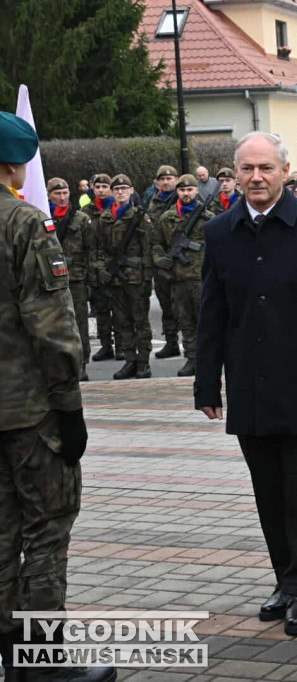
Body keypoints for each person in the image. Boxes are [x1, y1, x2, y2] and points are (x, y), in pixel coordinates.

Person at [195, 132, 297, 637]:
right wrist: (206, 383)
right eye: (247, 169)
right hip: (249, 385)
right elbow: (212, 311)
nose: (257, 177)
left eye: (266, 168)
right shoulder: (220, 232)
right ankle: (283, 580)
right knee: (266, 491)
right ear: (235, 174)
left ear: (286, 171)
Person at [0, 112, 117, 682]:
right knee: (46, 528)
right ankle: (41, 661)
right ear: (16, 165)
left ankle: (9, 656)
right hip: (30, 413)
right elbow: (51, 326)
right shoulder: (23, 222)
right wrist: (70, 407)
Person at [152, 174, 214, 377]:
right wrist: (160, 259)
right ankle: (192, 359)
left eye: (190, 190)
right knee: (185, 322)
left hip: (201, 279)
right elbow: (156, 244)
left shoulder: (209, 218)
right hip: (177, 280)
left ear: (197, 191)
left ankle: (209, 360)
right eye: (182, 190)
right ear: (177, 192)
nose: (186, 194)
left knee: (206, 322)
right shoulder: (167, 218)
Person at [94, 174, 154, 380]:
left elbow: (148, 249)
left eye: (124, 188)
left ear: (131, 191)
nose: (120, 192)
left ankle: (143, 361)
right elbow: (100, 247)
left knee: (140, 320)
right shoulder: (105, 218)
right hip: (116, 279)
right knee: (122, 321)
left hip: (135, 277)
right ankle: (130, 360)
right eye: (116, 189)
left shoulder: (139, 216)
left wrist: (147, 277)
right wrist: (101, 268)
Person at [48, 177, 93, 381]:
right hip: (50, 280)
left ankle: (81, 363)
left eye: (65, 193)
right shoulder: (43, 217)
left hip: (76, 279)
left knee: (79, 322)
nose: (62, 197)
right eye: (57, 194)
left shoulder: (80, 218)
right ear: (49, 195)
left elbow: (90, 249)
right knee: (54, 324)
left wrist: (90, 278)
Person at [81, 173, 121, 362]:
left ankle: (122, 345)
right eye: (98, 187)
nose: (101, 190)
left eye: (105, 187)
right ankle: (106, 346)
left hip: (115, 267)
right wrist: (94, 267)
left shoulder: (118, 209)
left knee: (120, 310)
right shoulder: (85, 211)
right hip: (95, 267)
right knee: (101, 310)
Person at [146, 165, 182, 360]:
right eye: (163, 179)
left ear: (176, 179)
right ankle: (171, 342)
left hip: (185, 263)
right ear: (158, 182)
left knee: (190, 306)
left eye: (170, 178)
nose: (167, 182)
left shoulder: (186, 198)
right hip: (161, 261)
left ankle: (196, 346)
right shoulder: (153, 202)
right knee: (166, 304)